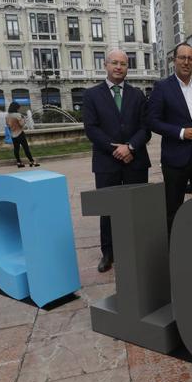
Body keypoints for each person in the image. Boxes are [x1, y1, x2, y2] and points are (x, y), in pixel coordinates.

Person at [82, 48, 152, 273]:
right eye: (114, 63)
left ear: (127, 68)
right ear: (106, 65)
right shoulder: (91, 95)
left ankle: (138, 249)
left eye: (123, 63)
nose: (119, 67)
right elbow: (91, 129)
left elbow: (146, 128)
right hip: (106, 162)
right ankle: (108, 253)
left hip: (136, 160)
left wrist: (130, 147)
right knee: (108, 209)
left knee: (138, 209)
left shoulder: (138, 95)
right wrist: (116, 149)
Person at [147, 42, 192, 235]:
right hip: (175, 158)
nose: (186, 62)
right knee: (173, 207)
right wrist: (180, 132)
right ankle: (174, 249)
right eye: (182, 58)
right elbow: (152, 121)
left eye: (190, 58)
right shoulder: (162, 87)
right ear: (174, 60)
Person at [6, 102, 39, 168]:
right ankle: (31, 161)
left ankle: (19, 162)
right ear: (16, 108)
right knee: (26, 148)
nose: (18, 109)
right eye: (18, 108)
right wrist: (24, 119)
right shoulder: (18, 115)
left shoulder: (7, 116)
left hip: (13, 134)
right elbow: (21, 124)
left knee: (16, 149)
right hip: (20, 133)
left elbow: (8, 125)